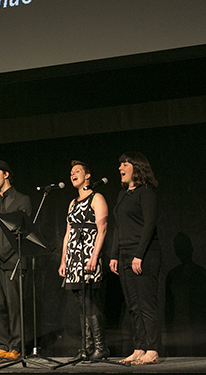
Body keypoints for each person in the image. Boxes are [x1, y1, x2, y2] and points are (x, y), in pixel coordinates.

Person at [109, 152, 161, 365]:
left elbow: (149, 225)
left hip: (144, 254)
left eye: (125, 164)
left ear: (136, 167)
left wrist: (139, 255)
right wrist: (114, 255)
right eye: (120, 164)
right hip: (124, 255)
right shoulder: (123, 195)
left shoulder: (146, 193)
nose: (120, 168)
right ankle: (139, 348)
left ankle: (152, 349)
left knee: (146, 304)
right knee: (133, 306)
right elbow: (118, 226)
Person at [58, 160, 110, 361]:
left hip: (88, 255)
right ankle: (86, 347)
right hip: (73, 258)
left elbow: (102, 229)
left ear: (88, 175)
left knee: (90, 301)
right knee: (80, 303)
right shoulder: (73, 203)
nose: (73, 174)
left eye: (77, 171)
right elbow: (68, 233)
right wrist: (63, 260)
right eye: (71, 172)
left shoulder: (97, 198)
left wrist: (95, 256)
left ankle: (101, 347)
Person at [0, 160, 31, 361]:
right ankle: (2, 345)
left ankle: (16, 346)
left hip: (13, 261)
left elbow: (20, 232)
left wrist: (0, 254)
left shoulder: (22, 200)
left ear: (6, 174)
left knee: (14, 305)